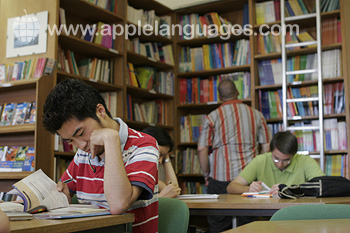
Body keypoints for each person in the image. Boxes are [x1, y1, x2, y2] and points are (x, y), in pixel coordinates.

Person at [42, 79, 159, 233]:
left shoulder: (144, 145)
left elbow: (118, 205)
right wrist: (61, 196)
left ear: (100, 111)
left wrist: (111, 140)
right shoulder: (82, 155)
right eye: (71, 140)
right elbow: (64, 190)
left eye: (81, 133)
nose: (81, 146)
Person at [197, 79, 271, 232]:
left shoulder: (212, 117)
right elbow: (266, 146)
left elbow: (202, 149)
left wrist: (206, 174)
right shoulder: (257, 115)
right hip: (248, 179)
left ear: (219, 97)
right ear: (237, 92)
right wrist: (259, 171)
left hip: (219, 177)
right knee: (248, 224)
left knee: (219, 224)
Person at [227, 131, 325, 195]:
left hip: (297, 214)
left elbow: (324, 186)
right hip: (265, 216)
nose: (280, 164)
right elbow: (231, 187)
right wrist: (248, 189)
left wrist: (289, 190)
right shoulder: (260, 160)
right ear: (271, 151)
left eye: (286, 160)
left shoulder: (306, 162)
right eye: (276, 158)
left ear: (294, 155)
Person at [143, 126, 181, 198]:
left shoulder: (149, 176)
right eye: (159, 154)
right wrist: (162, 197)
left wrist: (166, 157)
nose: (160, 161)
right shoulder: (129, 171)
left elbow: (173, 190)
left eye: (163, 157)